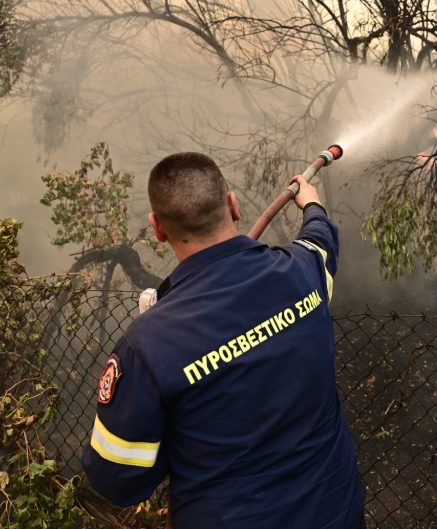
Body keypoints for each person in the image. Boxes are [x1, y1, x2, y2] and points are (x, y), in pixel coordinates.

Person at [82, 152, 364, 528]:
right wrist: (312, 204)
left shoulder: (148, 345)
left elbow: (116, 480)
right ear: (233, 205)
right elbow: (320, 239)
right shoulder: (301, 273)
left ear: (157, 229)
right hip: (336, 514)